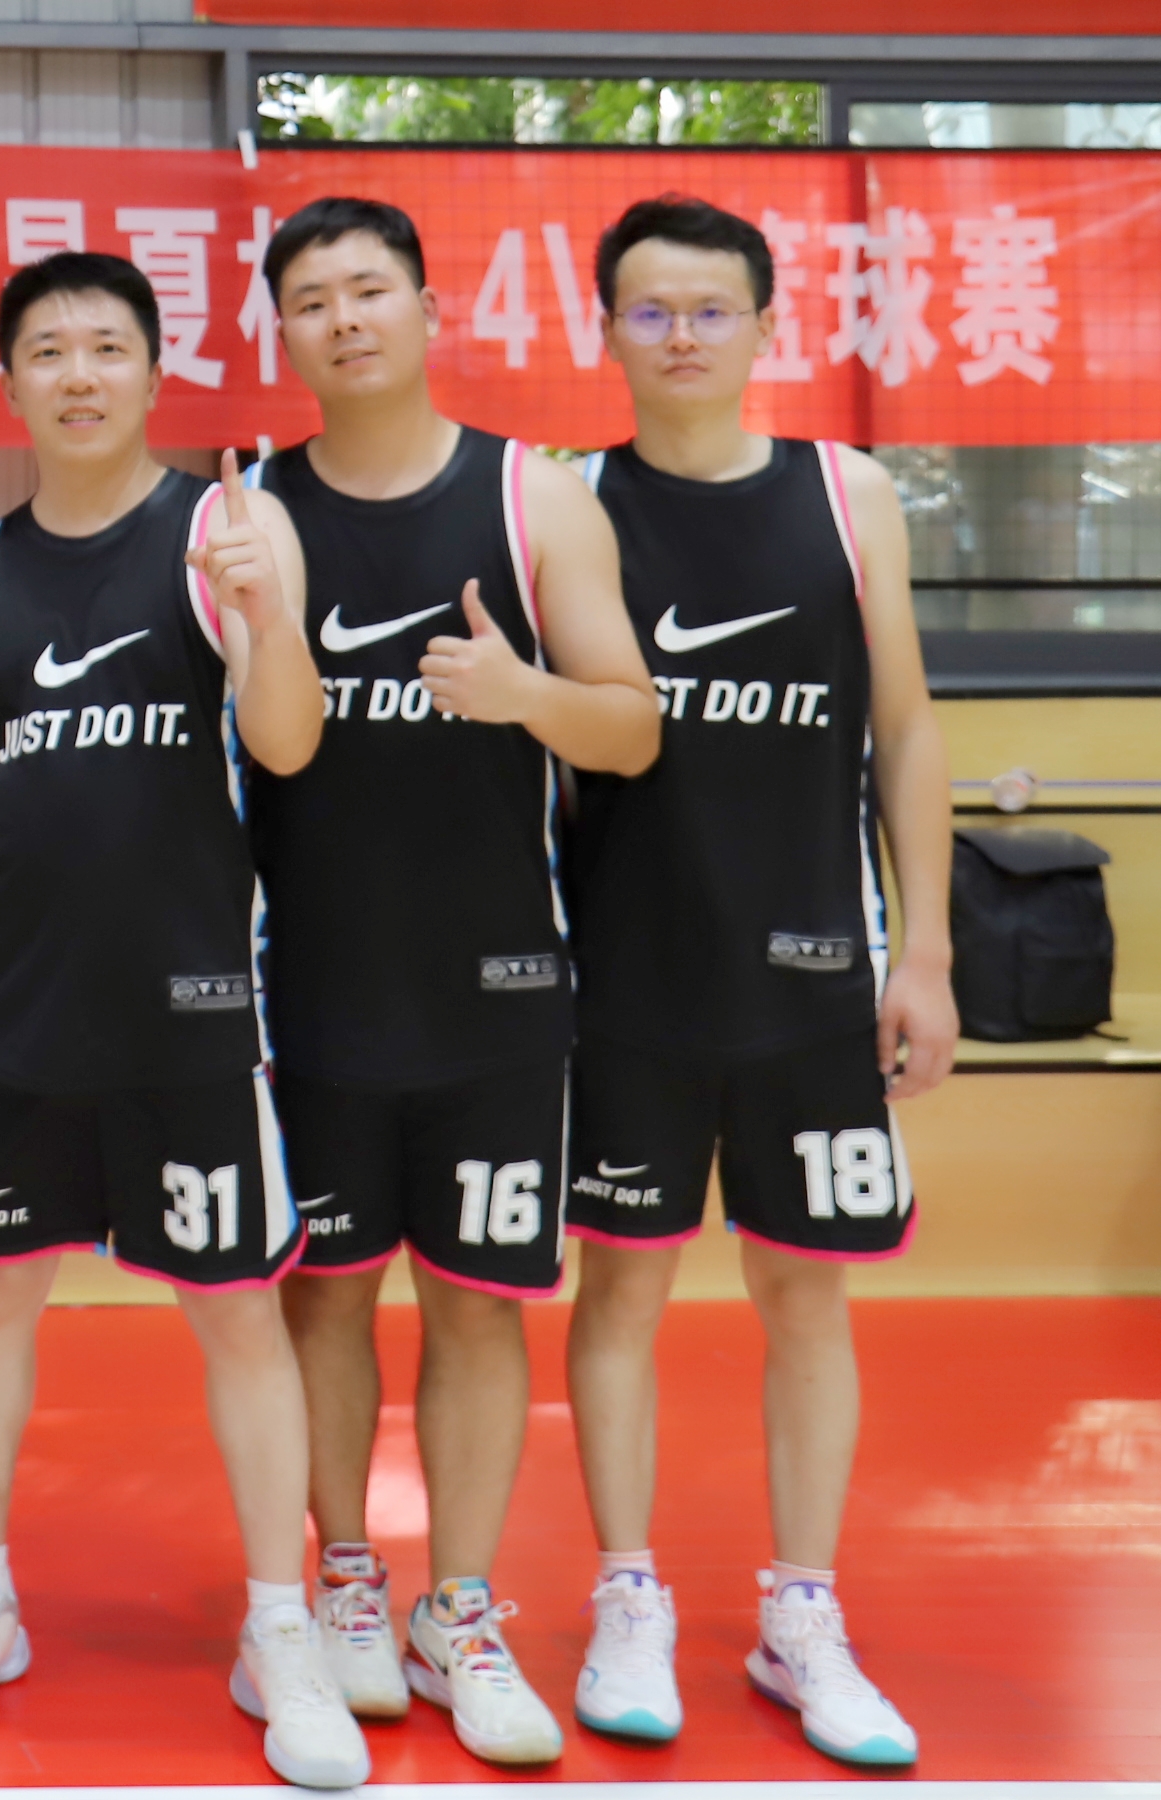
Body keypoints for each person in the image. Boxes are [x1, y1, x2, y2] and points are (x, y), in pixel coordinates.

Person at [0, 249, 367, 1792]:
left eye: (107, 347)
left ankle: (277, 1623)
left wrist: (268, 614)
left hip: (191, 1006)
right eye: (48, 351)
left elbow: (287, 746)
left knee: (238, 1314)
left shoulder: (225, 531)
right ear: (8, 383)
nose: (78, 375)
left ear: (156, 375)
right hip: (12, 1005)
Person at [250, 198, 660, 1763]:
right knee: (327, 1295)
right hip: (313, 983)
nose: (345, 319)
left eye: (370, 289)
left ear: (429, 309)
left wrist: (520, 693)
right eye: (312, 300)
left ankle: (462, 1605)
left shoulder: (533, 496)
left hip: (497, 985)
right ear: (283, 334)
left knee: (482, 1304)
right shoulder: (255, 513)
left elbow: (634, 728)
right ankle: (349, 1577)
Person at [557, 196, 954, 1772]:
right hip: (621, 982)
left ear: (766, 326)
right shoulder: (570, 503)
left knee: (807, 1293)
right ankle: (627, 1594)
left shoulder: (849, 494)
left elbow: (904, 728)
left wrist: (925, 950)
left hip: (812, 976)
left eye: (711, 309)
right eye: (650, 311)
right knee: (622, 1292)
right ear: (607, 329)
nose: (681, 336)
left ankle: (803, 1614)